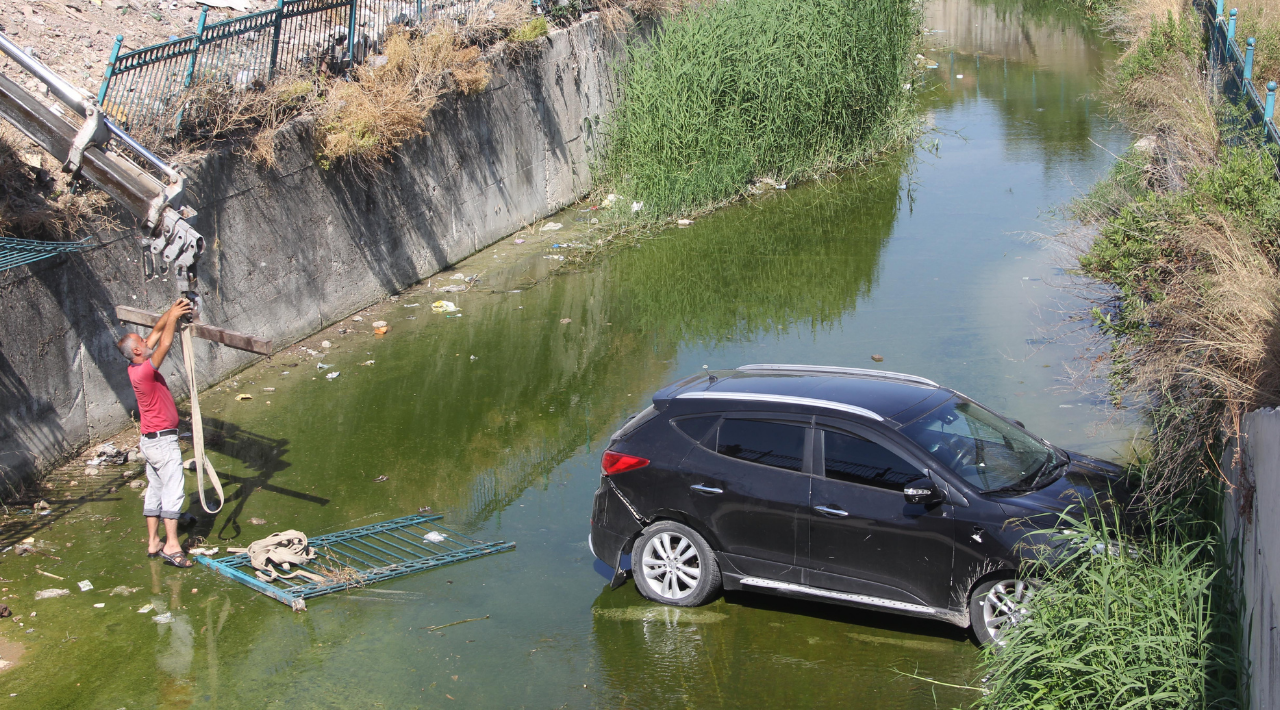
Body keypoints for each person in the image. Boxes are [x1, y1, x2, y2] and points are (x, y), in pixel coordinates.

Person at [117, 298, 195, 568]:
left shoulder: (134, 364)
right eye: (142, 341)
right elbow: (164, 343)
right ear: (138, 350)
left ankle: (153, 541)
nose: (146, 342)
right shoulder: (144, 372)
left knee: (156, 489)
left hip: (150, 442)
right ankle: (172, 546)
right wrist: (173, 318)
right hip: (163, 442)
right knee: (173, 489)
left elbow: (158, 331)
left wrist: (171, 312)